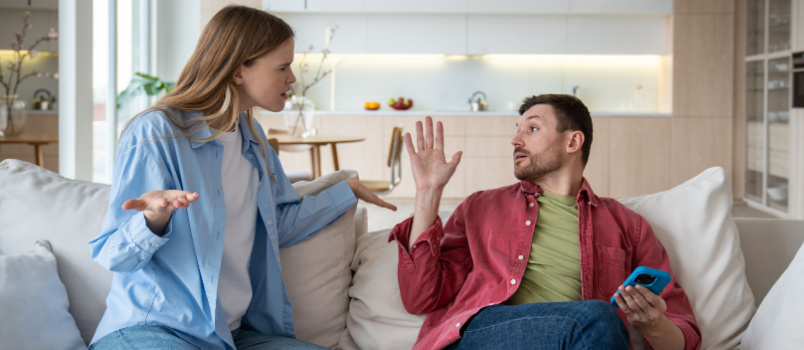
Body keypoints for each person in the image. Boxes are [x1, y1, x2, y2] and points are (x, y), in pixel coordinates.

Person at [88, 6, 395, 350]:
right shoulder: (157, 133)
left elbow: (278, 222)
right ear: (238, 72)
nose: (292, 78)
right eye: (282, 67)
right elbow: (114, 256)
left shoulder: (252, 137)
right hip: (153, 329)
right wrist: (153, 219)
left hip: (228, 335)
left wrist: (344, 192)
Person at [391, 94, 701, 350]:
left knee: (599, 320)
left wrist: (653, 323)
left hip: (579, 339)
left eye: (532, 129)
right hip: (484, 336)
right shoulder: (482, 207)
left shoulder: (626, 225)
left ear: (572, 142)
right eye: (517, 128)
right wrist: (428, 192)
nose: (515, 140)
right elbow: (420, 297)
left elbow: (684, 338)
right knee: (599, 318)